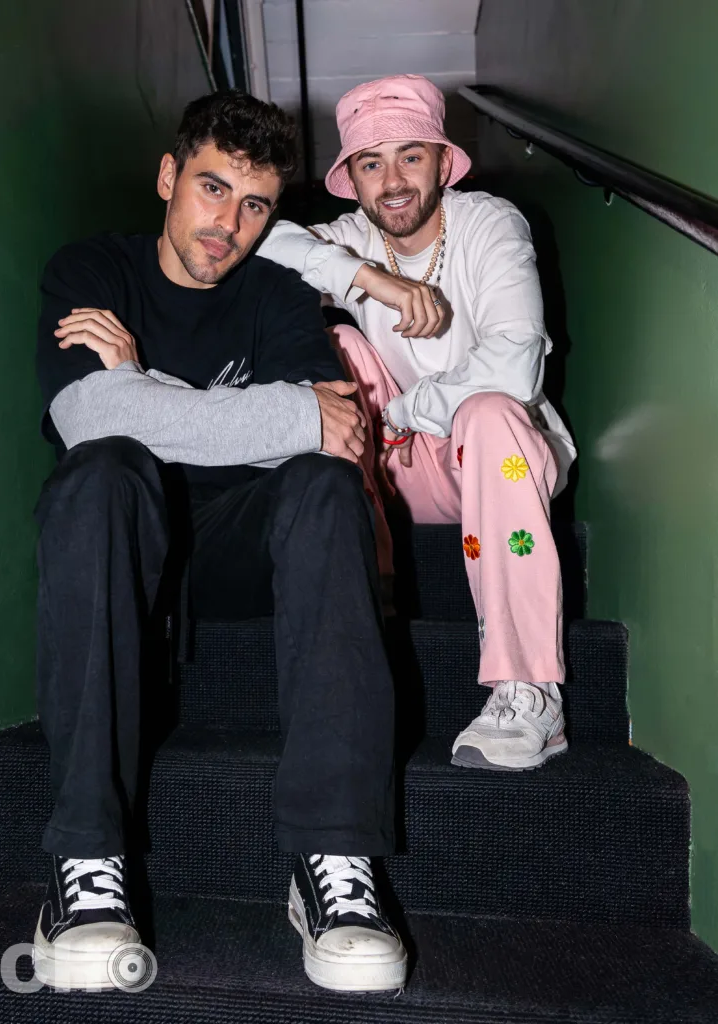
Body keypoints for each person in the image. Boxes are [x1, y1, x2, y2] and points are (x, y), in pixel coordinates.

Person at [31, 90, 407, 993]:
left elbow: (339, 436)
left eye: (255, 205)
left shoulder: (277, 294)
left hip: (246, 545)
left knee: (322, 485)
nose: (227, 224)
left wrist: (143, 382)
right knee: (101, 471)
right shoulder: (91, 270)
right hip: (126, 541)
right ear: (167, 177)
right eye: (210, 189)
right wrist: (275, 412)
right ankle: (85, 871)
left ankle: (334, 866)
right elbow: (91, 414)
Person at [259, 74, 577, 773]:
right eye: (371, 163)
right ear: (352, 180)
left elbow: (515, 365)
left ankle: (529, 692)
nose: (393, 180)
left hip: (502, 459)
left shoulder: (489, 224)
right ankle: (360, 607)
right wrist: (370, 281)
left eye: (409, 155)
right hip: (402, 469)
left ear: (441, 162)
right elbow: (251, 246)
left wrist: (402, 411)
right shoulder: (348, 239)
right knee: (335, 350)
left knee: (488, 412)